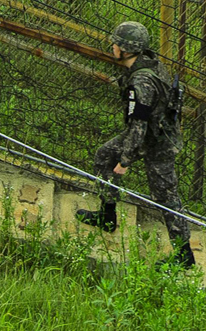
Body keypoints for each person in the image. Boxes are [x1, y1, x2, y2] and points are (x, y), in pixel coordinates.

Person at [78, 21, 193, 268]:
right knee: (103, 156)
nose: (112, 46)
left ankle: (184, 255)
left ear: (126, 49)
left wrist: (126, 160)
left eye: (116, 43)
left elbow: (138, 125)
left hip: (158, 141)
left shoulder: (140, 82)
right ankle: (107, 215)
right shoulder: (148, 64)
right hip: (152, 132)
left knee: (165, 195)